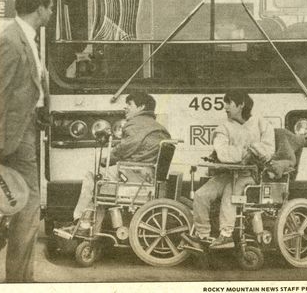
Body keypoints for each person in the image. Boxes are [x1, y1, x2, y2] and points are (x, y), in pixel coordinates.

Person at [0, 0, 51, 282]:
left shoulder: (25, 37)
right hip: (15, 138)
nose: (51, 12)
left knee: (22, 207)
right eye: (50, 6)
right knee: (27, 206)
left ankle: (20, 278)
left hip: (24, 132)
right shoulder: (10, 40)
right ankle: (20, 281)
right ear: (39, 9)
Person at [189, 90, 275, 250]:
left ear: (241, 104)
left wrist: (251, 150)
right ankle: (203, 235)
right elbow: (222, 152)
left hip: (249, 175)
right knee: (201, 195)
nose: (225, 107)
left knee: (230, 192)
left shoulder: (261, 124)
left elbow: (268, 151)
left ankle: (226, 236)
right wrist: (246, 151)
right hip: (227, 173)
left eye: (229, 103)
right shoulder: (223, 128)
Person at [72, 92, 171, 224]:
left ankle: (80, 219)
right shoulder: (160, 128)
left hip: (133, 176)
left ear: (141, 107)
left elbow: (126, 147)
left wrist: (107, 160)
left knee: (92, 174)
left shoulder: (134, 124)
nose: (126, 108)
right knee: (100, 181)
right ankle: (89, 223)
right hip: (148, 176)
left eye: (129, 104)